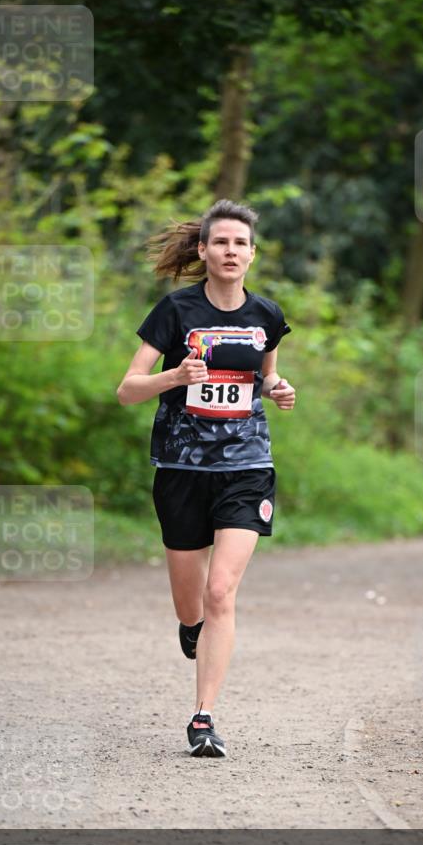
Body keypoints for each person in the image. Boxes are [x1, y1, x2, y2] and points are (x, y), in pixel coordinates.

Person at [116, 199, 295, 758]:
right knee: (191, 601)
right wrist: (174, 374)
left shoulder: (266, 315)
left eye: (240, 244)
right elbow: (127, 389)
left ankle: (203, 718)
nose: (231, 251)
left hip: (246, 466)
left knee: (222, 591)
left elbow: (263, 378)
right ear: (203, 250)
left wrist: (278, 389)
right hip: (181, 469)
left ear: (252, 254)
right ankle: (189, 627)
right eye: (221, 242)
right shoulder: (174, 311)